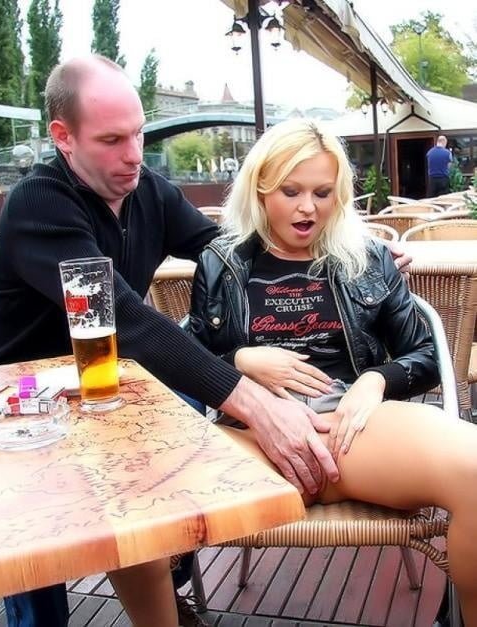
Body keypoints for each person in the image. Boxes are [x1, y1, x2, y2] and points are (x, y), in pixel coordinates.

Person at [0, 56, 409, 627]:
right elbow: (126, 320)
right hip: (18, 397)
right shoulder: (40, 202)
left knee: (173, 432)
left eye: (137, 134)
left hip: (105, 383)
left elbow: (231, 251)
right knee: (39, 545)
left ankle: (164, 572)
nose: (135, 154)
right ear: (63, 137)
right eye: (112, 140)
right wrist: (254, 403)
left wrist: (349, 250)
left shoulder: (149, 191)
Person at [186, 118, 477, 626]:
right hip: (253, 438)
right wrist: (238, 361)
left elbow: (426, 355)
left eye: (322, 193)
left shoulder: (368, 257)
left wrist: (375, 381)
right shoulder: (220, 262)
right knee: (136, 489)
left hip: (352, 430)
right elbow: (185, 359)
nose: (308, 208)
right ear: (260, 189)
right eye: (291, 191)